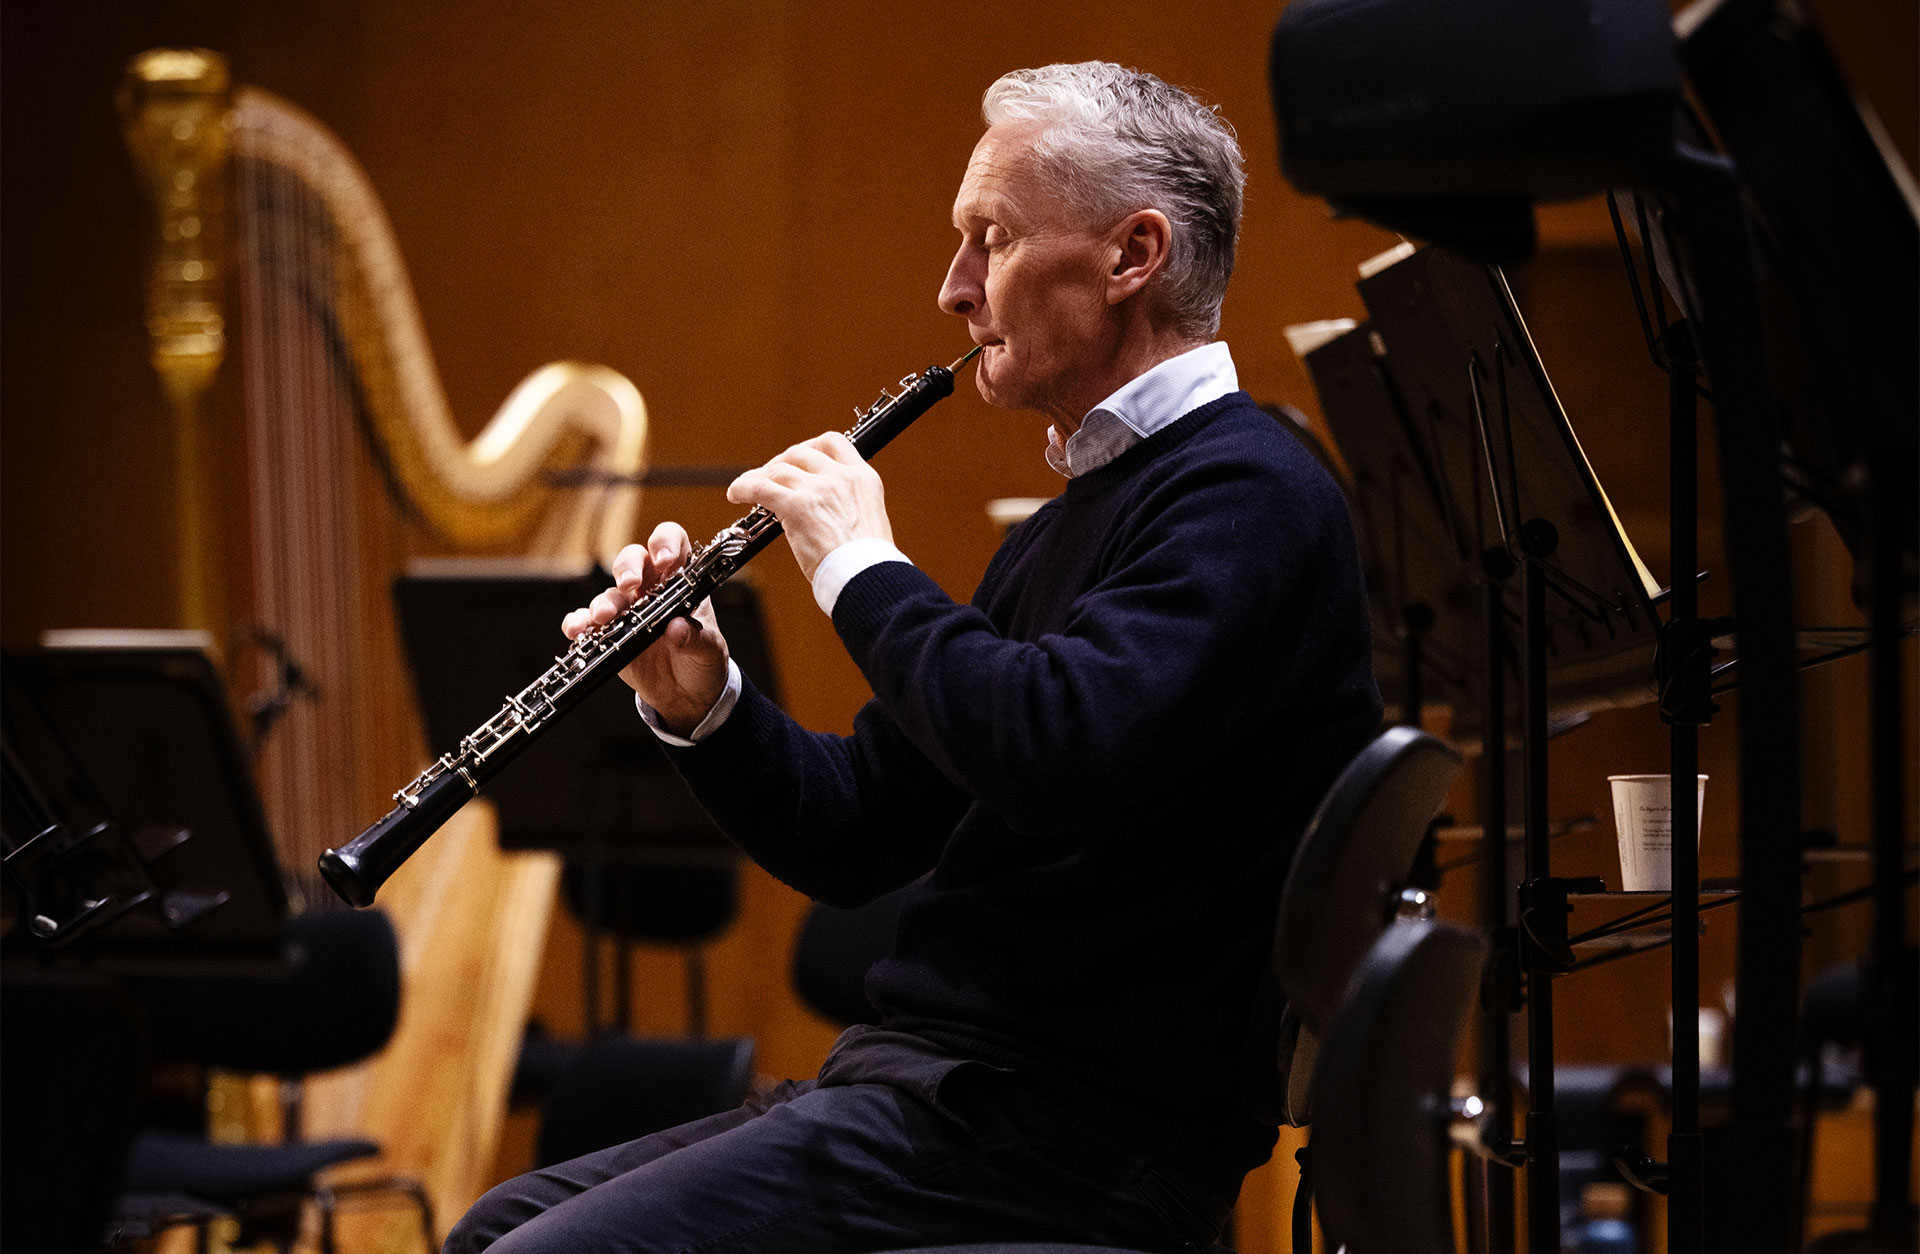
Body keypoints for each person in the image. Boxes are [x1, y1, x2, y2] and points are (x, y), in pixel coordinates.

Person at [447, 60, 1380, 1254]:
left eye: (993, 239)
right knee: (499, 1225)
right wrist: (707, 703)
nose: (954, 288)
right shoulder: (1070, 524)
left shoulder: (1250, 494)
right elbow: (856, 834)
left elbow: (1054, 750)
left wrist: (856, 560)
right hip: (935, 1099)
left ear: (1132, 256)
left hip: (1069, 1137)